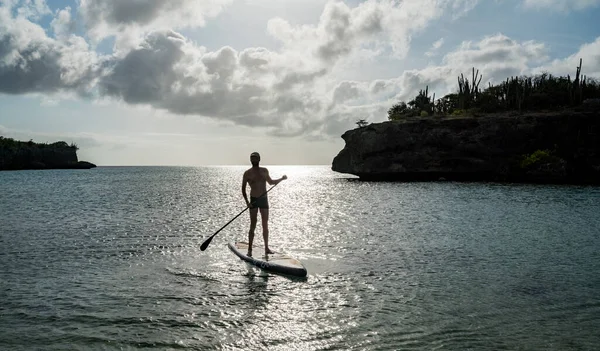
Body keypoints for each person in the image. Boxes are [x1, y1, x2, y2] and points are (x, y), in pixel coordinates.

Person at [241, 152, 287, 257]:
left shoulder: (264, 171)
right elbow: (243, 190)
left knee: (265, 225)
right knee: (253, 225)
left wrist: (281, 179)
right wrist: (247, 203)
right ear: (250, 160)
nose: (253, 160)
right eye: (252, 159)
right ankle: (249, 249)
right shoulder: (247, 173)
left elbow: (271, 182)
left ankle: (266, 248)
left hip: (263, 200)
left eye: (255, 158)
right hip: (253, 200)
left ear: (259, 159)